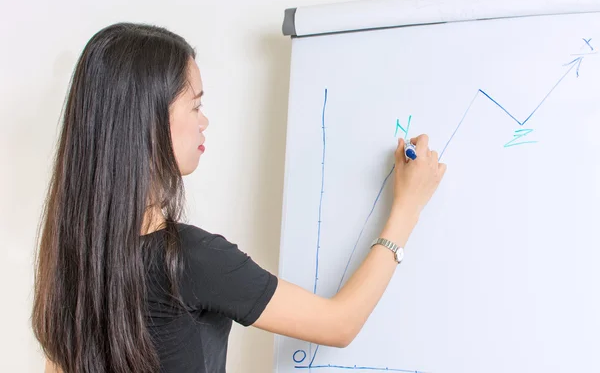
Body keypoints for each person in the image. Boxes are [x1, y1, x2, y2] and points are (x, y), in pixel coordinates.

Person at [32, 23, 446, 373]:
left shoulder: (71, 257)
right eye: (195, 106)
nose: (204, 121)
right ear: (149, 122)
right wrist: (407, 207)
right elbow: (340, 324)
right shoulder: (190, 259)